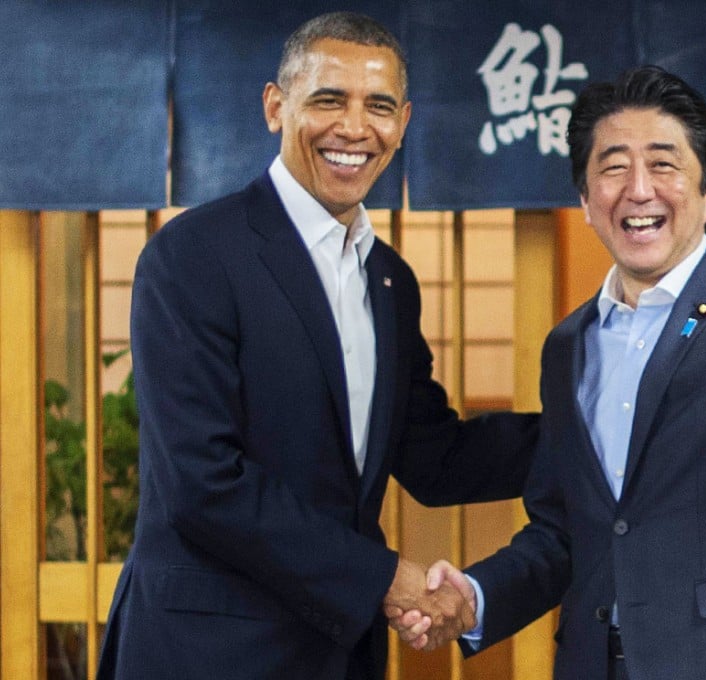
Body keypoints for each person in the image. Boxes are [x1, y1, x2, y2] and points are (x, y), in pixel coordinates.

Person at [391, 47, 706, 679]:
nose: (639, 190)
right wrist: (474, 596)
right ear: (585, 198)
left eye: (664, 164)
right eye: (614, 167)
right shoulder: (568, 344)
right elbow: (567, 534)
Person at [96, 12, 537, 680]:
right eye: (329, 100)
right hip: (208, 652)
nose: (355, 129)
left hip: (338, 651)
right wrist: (385, 578)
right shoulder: (194, 255)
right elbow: (201, 483)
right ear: (277, 106)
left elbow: (432, 455)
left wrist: (596, 429)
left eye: (379, 107)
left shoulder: (389, 279)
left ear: (405, 123)